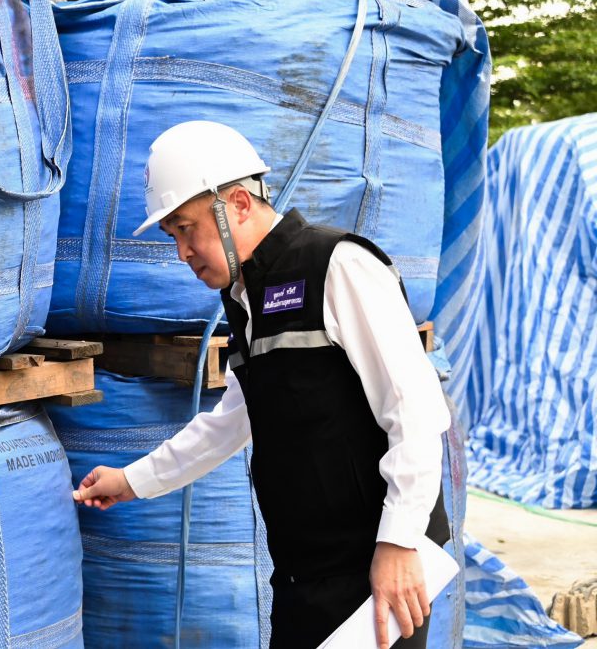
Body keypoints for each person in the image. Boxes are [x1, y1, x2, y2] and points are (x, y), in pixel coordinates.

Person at [71, 120, 450, 649]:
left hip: (375, 571)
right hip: (302, 573)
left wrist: (399, 542)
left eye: (186, 228)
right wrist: (131, 481)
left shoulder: (337, 266)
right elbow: (231, 422)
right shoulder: (249, 301)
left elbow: (415, 409)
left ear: (239, 205)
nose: (182, 251)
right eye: (172, 235)